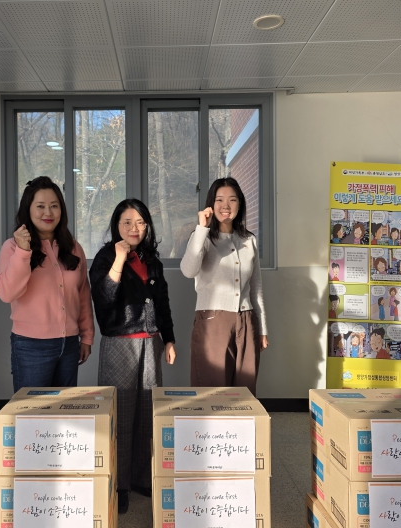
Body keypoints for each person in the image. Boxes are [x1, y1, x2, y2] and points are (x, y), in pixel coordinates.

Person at [89, 199, 176, 514]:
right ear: (116, 226)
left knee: (147, 414)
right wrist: (119, 259)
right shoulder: (105, 257)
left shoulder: (152, 260)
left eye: (140, 222)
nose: (134, 228)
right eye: (127, 222)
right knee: (120, 417)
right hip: (119, 345)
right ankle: (119, 484)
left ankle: (141, 478)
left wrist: (169, 339)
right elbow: (103, 299)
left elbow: (162, 301)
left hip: (151, 343)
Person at [0, 176, 93, 392]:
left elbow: (83, 294)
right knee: (33, 409)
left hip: (69, 343)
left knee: (65, 407)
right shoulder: (12, 248)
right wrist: (23, 251)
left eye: (54, 206)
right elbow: (6, 293)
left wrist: (86, 336)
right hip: (31, 345)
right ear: (28, 209)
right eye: (40, 206)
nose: (48, 213)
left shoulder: (73, 248)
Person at [181, 177, 268, 395]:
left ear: (240, 204)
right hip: (213, 322)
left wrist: (262, 329)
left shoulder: (249, 240)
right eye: (219, 200)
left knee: (244, 391)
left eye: (232, 200)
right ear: (211, 204)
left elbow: (256, 287)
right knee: (212, 391)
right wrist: (201, 228)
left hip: (246, 320)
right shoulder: (202, 237)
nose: (226, 206)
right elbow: (188, 270)